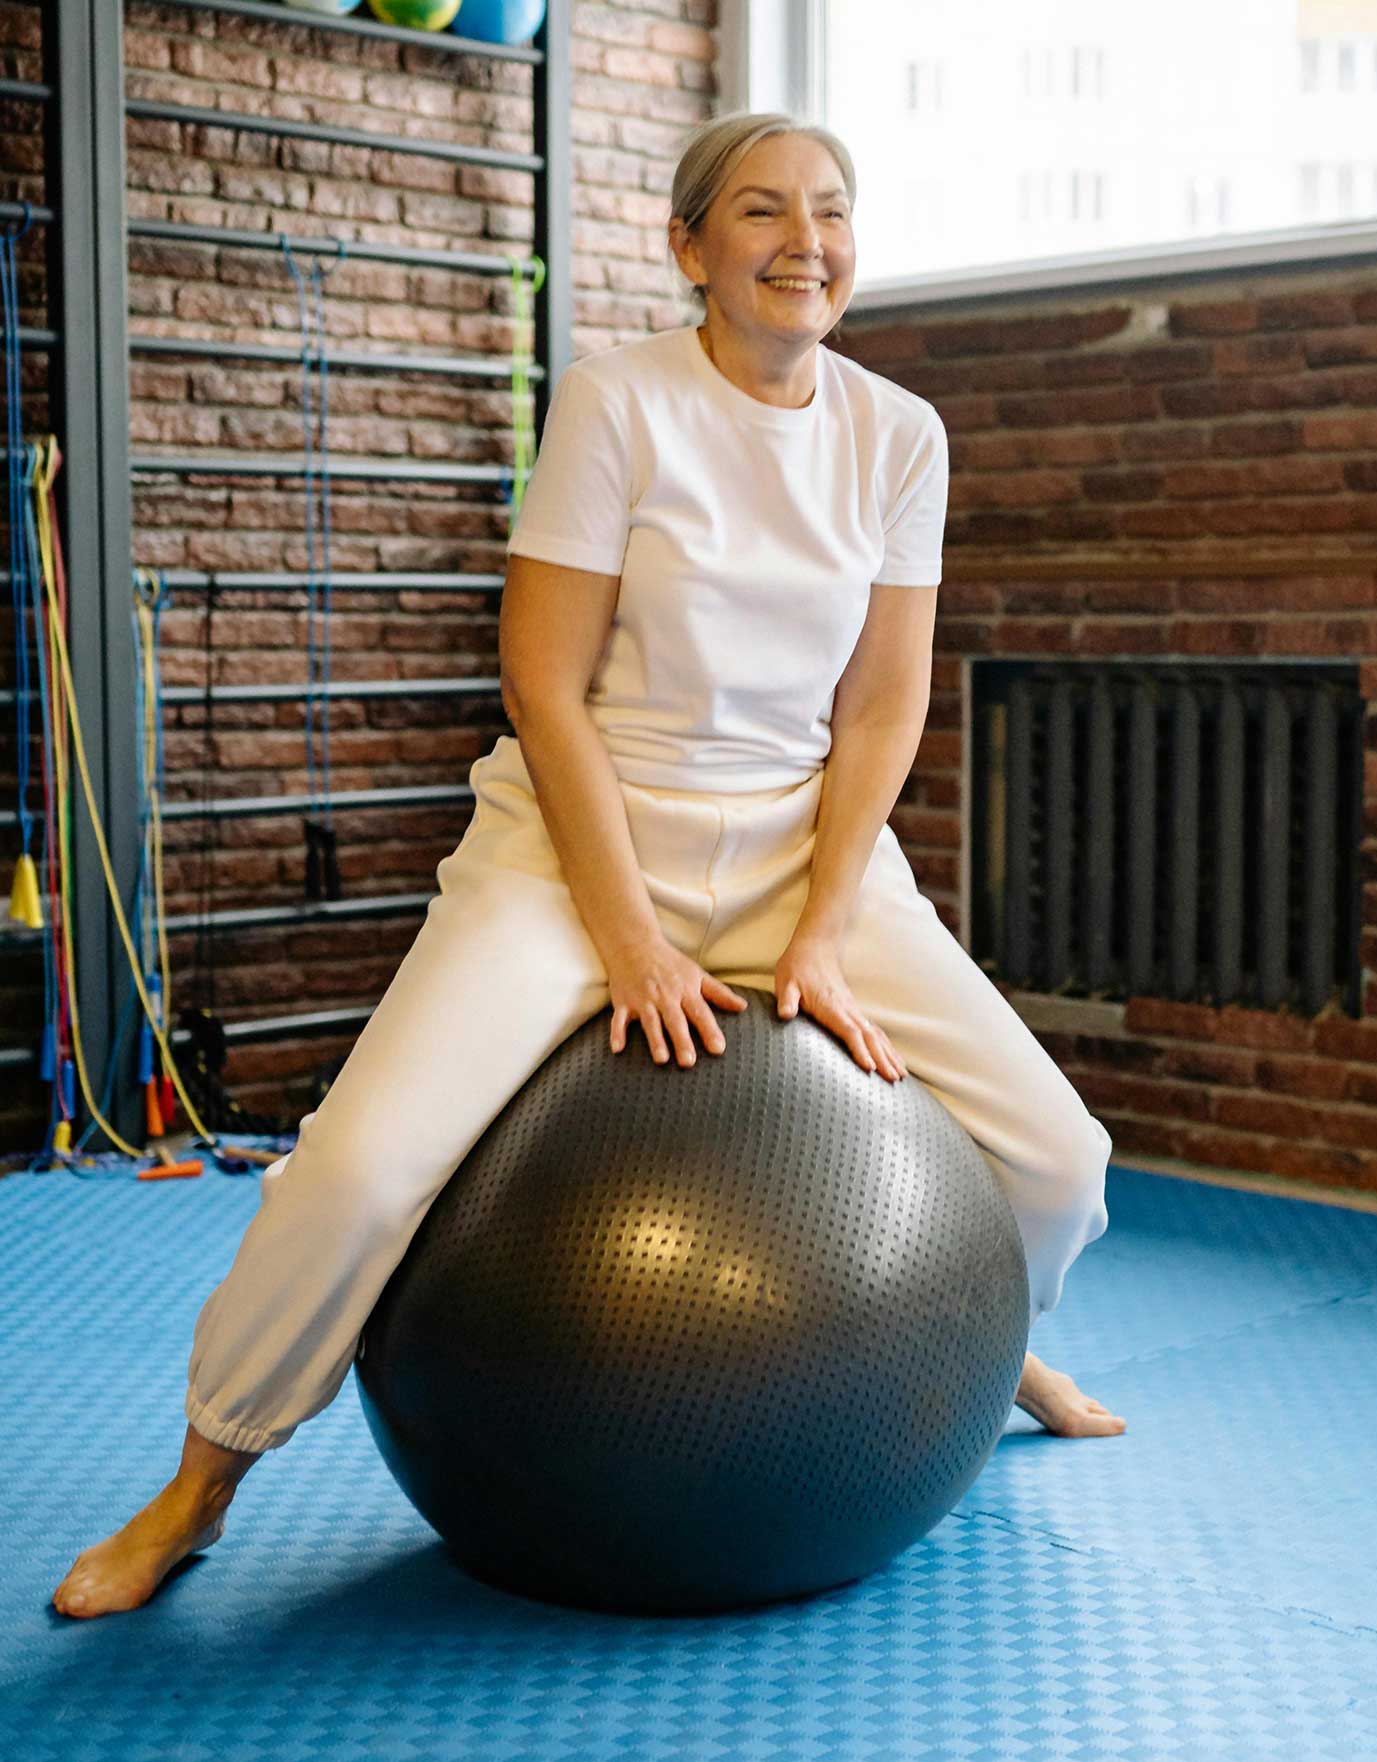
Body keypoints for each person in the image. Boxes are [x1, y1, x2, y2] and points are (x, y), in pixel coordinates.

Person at [52, 111, 1123, 1623]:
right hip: (576, 845)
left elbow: (884, 705)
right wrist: (629, 941)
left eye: (829, 211)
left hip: (807, 847)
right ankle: (200, 1480)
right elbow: (544, 685)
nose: (802, 240)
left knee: (1063, 1160)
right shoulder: (620, 405)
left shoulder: (900, 435)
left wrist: (819, 930)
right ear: (690, 247)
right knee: (358, 1171)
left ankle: (966, 1332)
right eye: (760, 211)